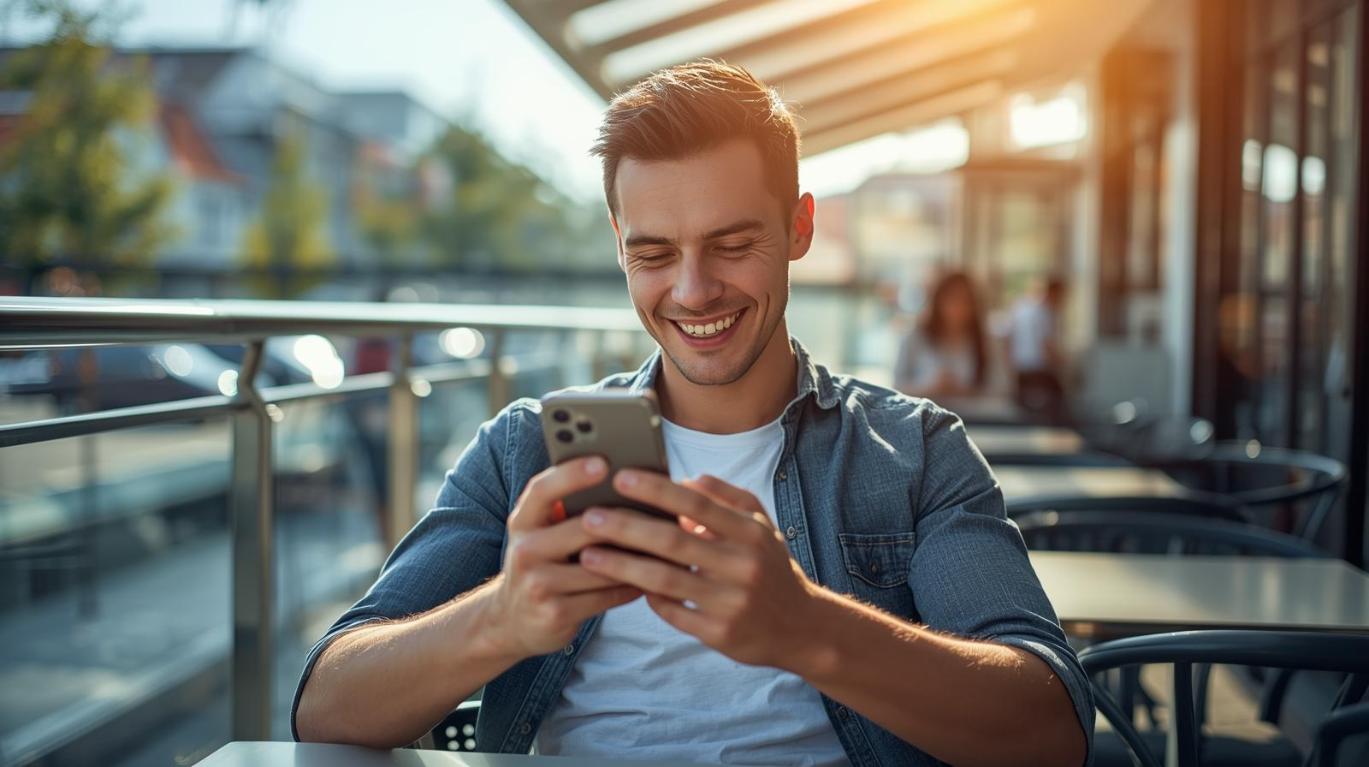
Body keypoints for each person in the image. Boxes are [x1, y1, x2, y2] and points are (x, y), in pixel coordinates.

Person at [293, 61, 1091, 767]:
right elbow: (326, 707)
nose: (692, 289)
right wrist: (500, 619)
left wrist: (806, 627)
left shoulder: (914, 450)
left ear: (800, 226)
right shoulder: (523, 450)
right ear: (618, 246)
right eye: (652, 254)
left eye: (732, 243)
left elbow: (1049, 729)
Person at [893, 270, 990, 401]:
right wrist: (929, 387)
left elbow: (1002, 389)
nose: (959, 307)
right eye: (953, 299)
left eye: (966, 300)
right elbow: (896, 387)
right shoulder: (915, 336)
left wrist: (966, 391)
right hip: (925, 417)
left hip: (975, 418)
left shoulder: (987, 340)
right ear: (938, 300)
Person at [1007, 276, 1069, 423]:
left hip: (1021, 368)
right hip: (1037, 369)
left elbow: (1010, 339)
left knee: (1025, 409)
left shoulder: (1025, 309)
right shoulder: (1044, 313)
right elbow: (1047, 345)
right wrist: (1063, 364)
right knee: (1058, 402)